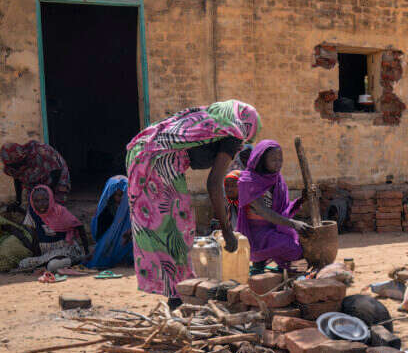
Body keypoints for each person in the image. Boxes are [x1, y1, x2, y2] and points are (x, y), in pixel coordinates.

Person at [126, 100, 260, 305]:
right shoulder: (233, 133)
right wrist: (226, 231)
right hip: (158, 161)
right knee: (176, 228)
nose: (244, 141)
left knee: (165, 227)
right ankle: (178, 296)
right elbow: (214, 183)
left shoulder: (213, 120)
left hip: (144, 153)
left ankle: (176, 294)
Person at [236, 139, 310, 273]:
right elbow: (264, 212)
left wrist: (302, 200)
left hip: (275, 227)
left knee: (300, 245)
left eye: (280, 159)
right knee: (293, 248)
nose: (278, 163)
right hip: (256, 233)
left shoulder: (277, 179)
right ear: (261, 159)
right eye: (273, 160)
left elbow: (282, 209)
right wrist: (294, 224)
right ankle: (262, 261)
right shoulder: (248, 181)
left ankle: (275, 268)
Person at [18, 185, 89, 271]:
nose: (41, 204)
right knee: (23, 263)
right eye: (37, 201)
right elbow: (35, 236)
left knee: (52, 265)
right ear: (32, 202)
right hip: (46, 254)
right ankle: (48, 263)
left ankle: (75, 259)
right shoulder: (33, 214)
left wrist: (87, 252)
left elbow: (79, 226)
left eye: (45, 200)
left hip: (65, 249)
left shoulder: (59, 211)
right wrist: (36, 255)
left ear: (51, 198)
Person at [1, 140, 71, 208]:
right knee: (35, 205)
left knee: (54, 206)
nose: (16, 168)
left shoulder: (39, 151)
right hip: (36, 178)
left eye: (17, 165)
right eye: (13, 166)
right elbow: (17, 179)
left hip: (56, 174)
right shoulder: (11, 166)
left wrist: (49, 194)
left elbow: (56, 171)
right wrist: (18, 201)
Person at [86, 175, 133, 269]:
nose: (120, 199)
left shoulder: (131, 209)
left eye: (123, 195)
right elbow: (99, 231)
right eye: (117, 195)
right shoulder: (106, 211)